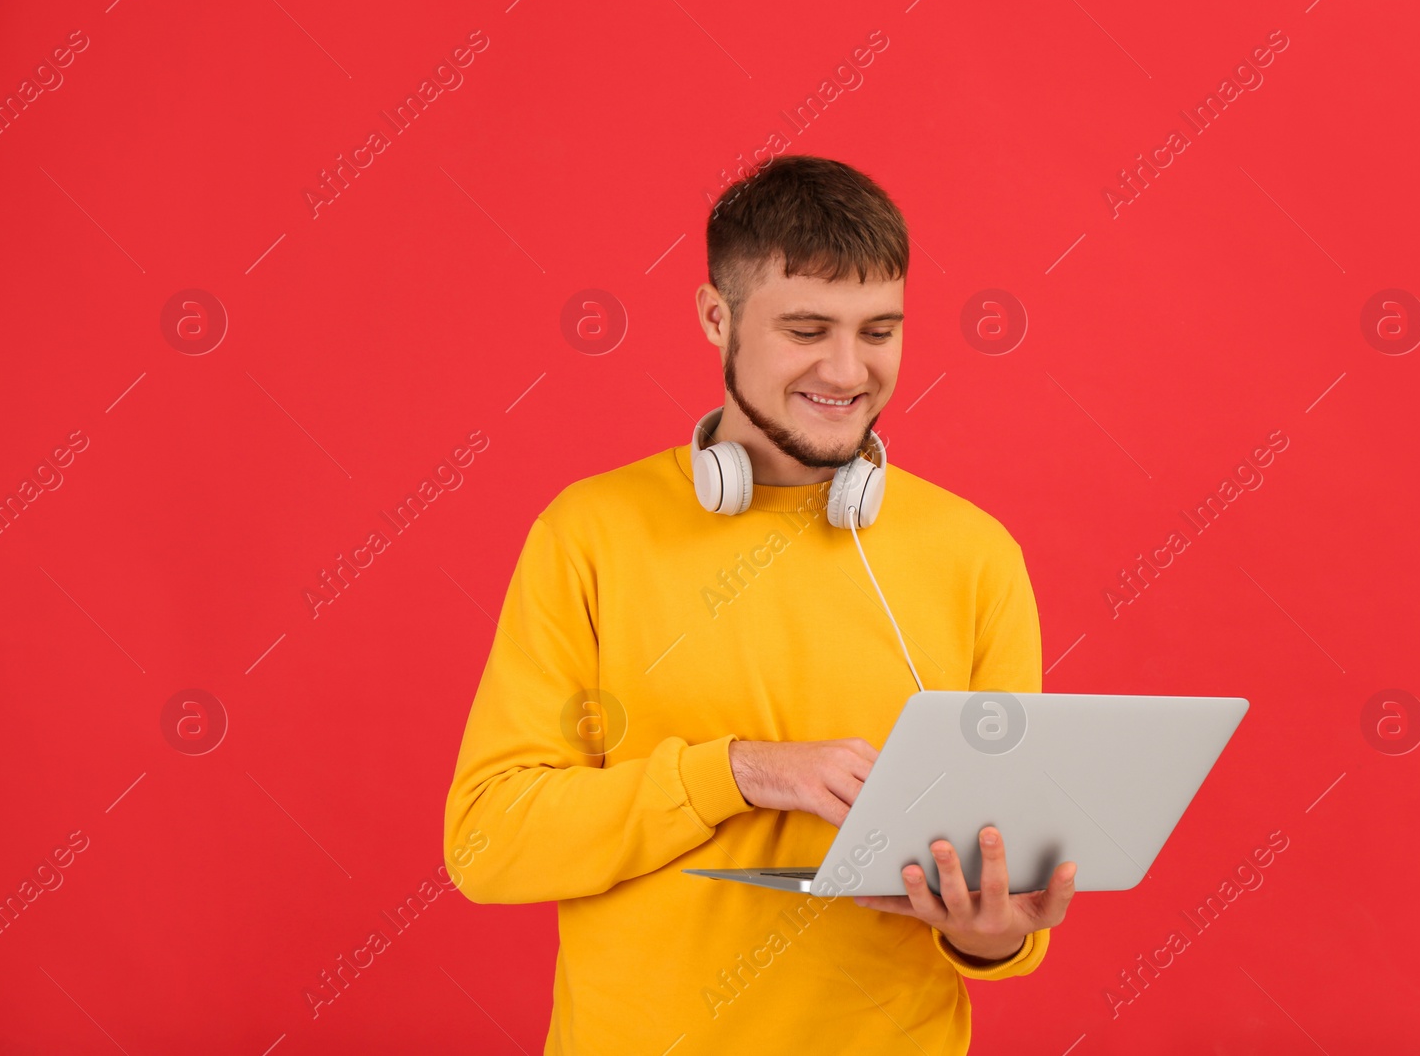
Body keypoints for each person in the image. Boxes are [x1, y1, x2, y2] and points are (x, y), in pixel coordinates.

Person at [443, 154, 1077, 1054]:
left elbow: (997, 887)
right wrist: (736, 771)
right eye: (808, 328)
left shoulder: (975, 556)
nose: (849, 369)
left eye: (880, 329)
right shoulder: (588, 534)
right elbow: (489, 843)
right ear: (716, 316)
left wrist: (995, 935)